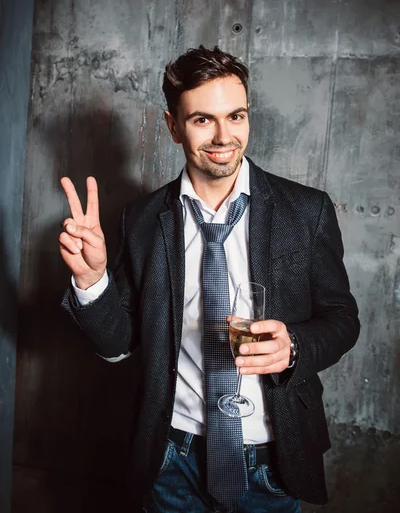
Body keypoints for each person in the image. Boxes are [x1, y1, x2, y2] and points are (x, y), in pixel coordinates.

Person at [59, 45, 360, 513]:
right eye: (203, 120)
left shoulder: (307, 211)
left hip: (273, 459)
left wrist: (294, 346)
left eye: (235, 116)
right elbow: (118, 345)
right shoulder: (141, 220)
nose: (224, 136)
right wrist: (93, 279)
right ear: (172, 125)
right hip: (171, 460)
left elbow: (343, 320)